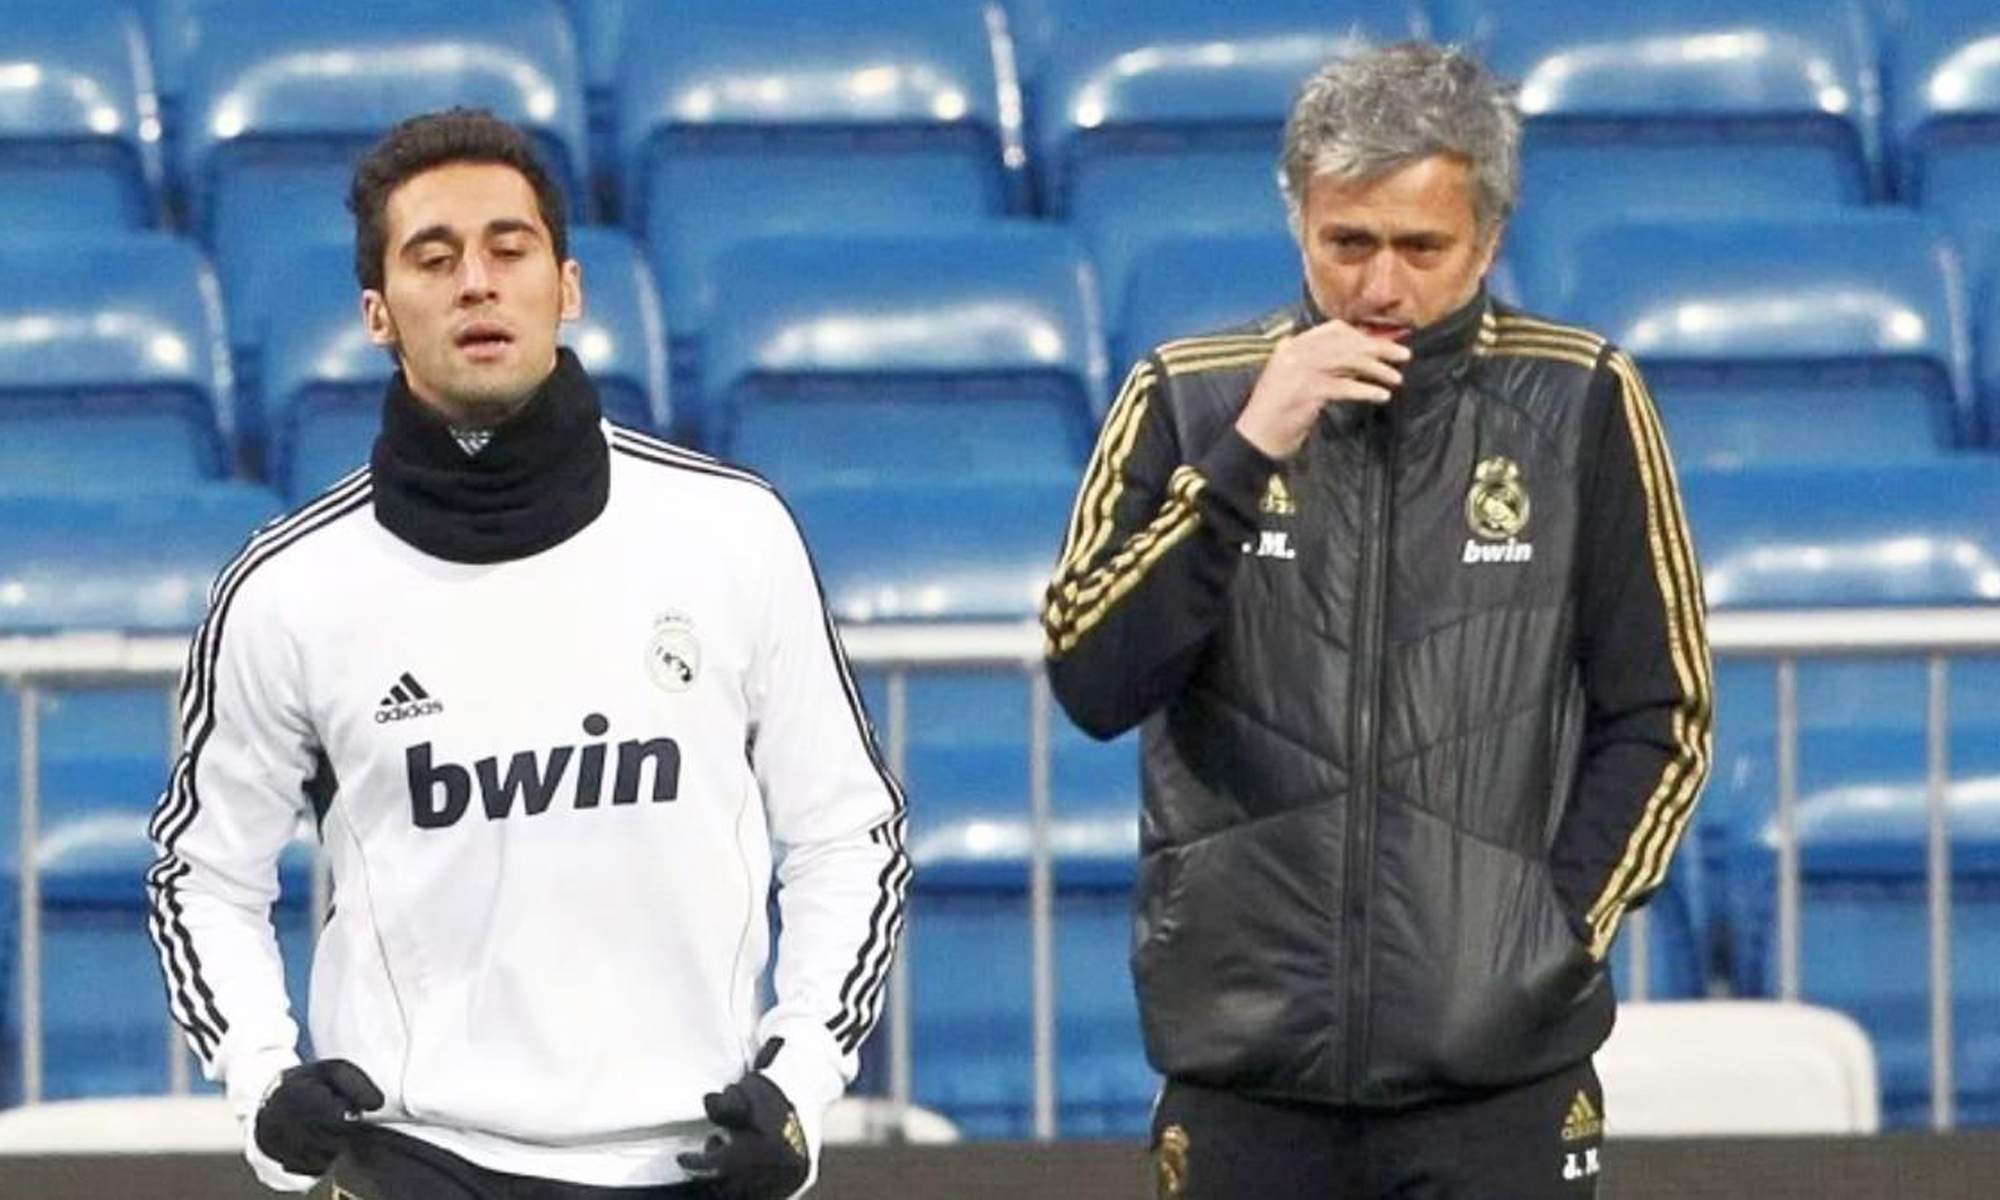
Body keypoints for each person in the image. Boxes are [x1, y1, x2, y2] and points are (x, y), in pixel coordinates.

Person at [145, 108, 909, 1200]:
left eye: (510, 249)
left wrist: (802, 1075)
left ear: (569, 286)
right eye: (434, 257)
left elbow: (850, 834)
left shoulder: (733, 534)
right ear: (376, 313)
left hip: (696, 1157)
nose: (476, 283)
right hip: (411, 1158)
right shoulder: (287, 589)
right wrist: (263, 1076)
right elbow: (202, 873)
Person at [1041, 43, 1711, 1199]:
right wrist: (1248, 451)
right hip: (1243, 1070)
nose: (1380, 288)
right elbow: (1092, 678)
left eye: (1420, 248)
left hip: (1496, 1076)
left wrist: (1544, 938)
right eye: (1346, 243)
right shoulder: (1185, 393)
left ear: (1488, 239)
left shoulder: (1583, 397)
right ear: (1298, 215)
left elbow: (1663, 715)